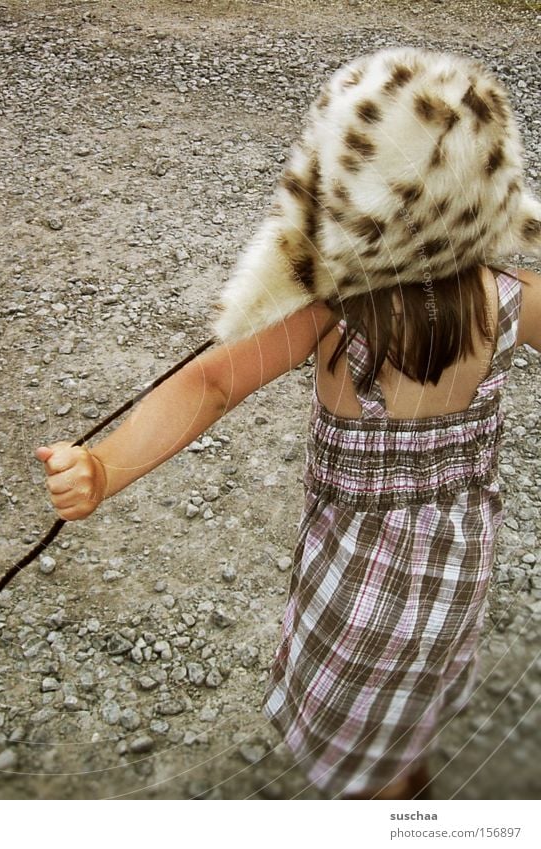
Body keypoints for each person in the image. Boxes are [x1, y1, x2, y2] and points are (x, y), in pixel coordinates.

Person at [34, 48, 541, 799]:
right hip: (452, 576)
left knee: (364, 755)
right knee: (407, 709)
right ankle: (406, 775)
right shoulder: (511, 298)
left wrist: (107, 466)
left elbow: (208, 383)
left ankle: (393, 798)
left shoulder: (333, 313)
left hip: (357, 593)